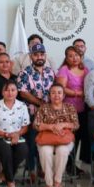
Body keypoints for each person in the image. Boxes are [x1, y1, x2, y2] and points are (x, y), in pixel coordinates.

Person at [0, 80, 30, 187]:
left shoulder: (22, 106)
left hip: (16, 137)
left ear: (17, 92)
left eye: (13, 90)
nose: (10, 93)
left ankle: (5, 173)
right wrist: (6, 134)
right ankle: (10, 181)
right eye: (7, 90)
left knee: (23, 150)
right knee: (6, 150)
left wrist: (17, 134)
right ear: (2, 92)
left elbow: (25, 126)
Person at [34, 83, 79, 187]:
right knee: (45, 151)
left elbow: (76, 125)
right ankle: (49, 183)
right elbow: (36, 125)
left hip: (64, 138)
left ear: (64, 95)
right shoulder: (43, 108)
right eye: (53, 93)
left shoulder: (70, 107)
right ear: (49, 95)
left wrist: (63, 125)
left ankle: (58, 181)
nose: (56, 95)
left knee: (62, 151)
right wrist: (51, 127)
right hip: (46, 138)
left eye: (59, 93)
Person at [17, 43, 55, 173]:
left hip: (48, 115)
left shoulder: (50, 72)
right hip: (31, 113)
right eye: (36, 54)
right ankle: (31, 171)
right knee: (32, 143)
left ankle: (43, 169)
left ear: (45, 55)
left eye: (42, 54)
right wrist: (41, 104)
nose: (39, 57)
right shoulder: (24, 73)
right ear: (31, 56)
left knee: (45, 142)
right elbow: (23, 93)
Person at [56, 46, 87, 164]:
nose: (74, 58)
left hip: (83, 108)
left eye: (76, 55)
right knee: (69, 138)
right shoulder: (64, 69)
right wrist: (77, 93)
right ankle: (68, 165)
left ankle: (74, 165)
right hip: (68, 109)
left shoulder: (85, 69)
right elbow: (61, 88)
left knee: (80, 137)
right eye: (71, 56)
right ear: (66, 58)